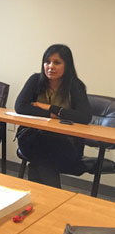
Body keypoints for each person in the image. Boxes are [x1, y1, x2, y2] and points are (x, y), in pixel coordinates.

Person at [15, 44, 92, 188]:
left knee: (41, 158)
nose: (50, 66)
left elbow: (84, 117)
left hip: (65, 145)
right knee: (43, 148)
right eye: (47, 62)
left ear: (67, 65)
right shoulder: (35, 80)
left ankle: (41, 197)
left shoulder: (75, 86)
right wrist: (55, 114)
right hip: (30, 138)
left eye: (57, 62)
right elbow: (20, 107)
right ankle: (54, 198)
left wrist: (50, 107)